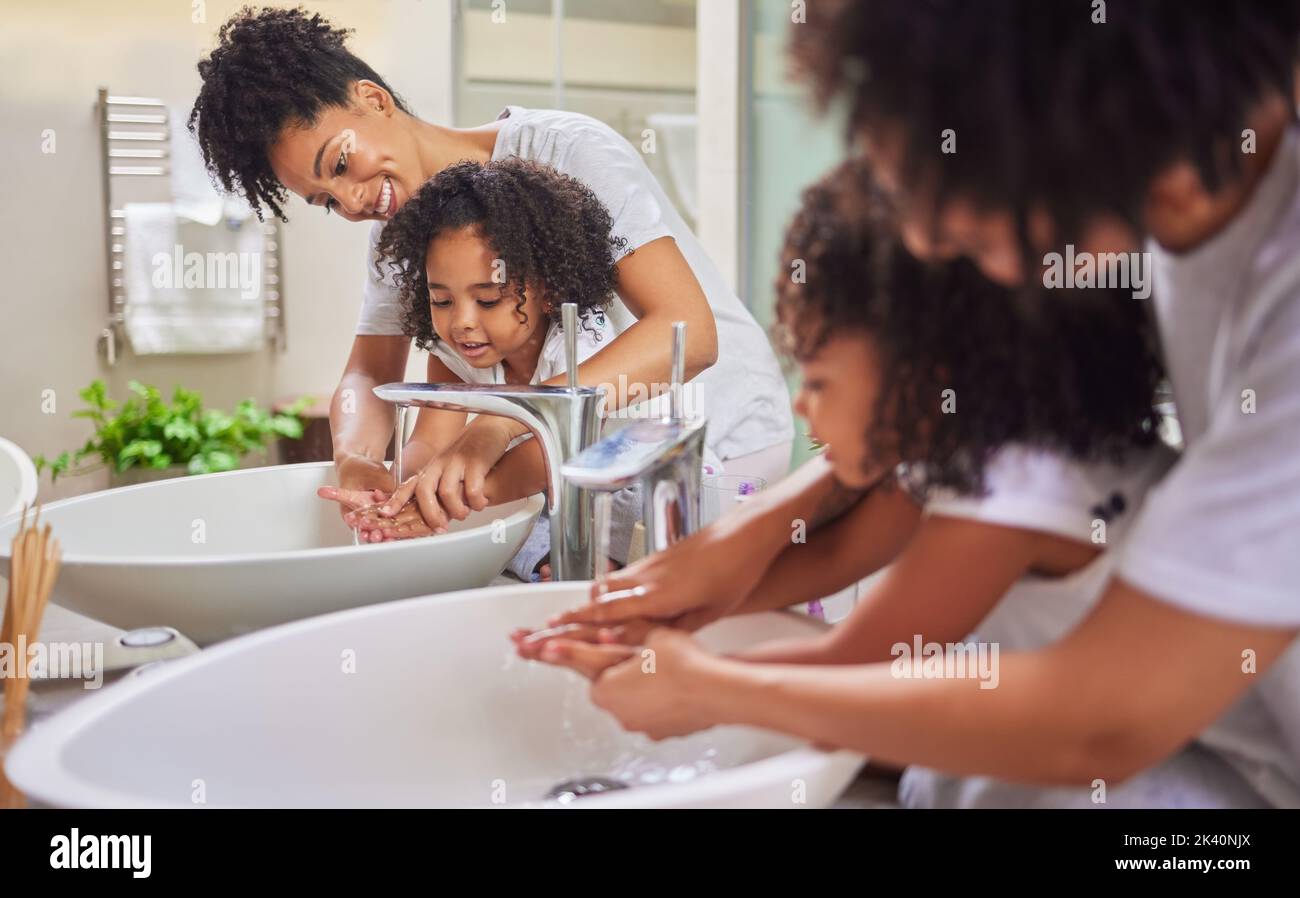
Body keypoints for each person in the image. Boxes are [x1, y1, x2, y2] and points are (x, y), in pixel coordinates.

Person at [188, 6, 794, 565]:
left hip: (716, 439)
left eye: (341, 164)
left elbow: (687, 333)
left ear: (372, 98)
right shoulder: (397, 237)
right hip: (586, 457)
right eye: (324, 201)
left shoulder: (567, 151)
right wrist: (358, 460)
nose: (350, 203)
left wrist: (504, 422)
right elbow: (370, 374)